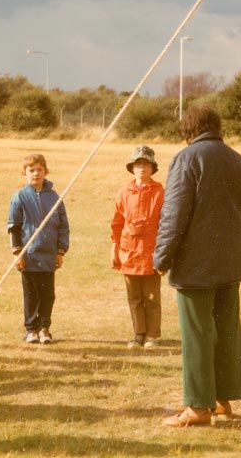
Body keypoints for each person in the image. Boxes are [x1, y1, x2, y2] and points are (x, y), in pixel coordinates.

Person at [153, 107, 241, 427]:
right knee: (226, 330)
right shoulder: (237, 159)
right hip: (230, 260)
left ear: (188, 131)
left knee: (197, 334)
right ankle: (222, 400)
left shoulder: (187, 157)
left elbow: (174, 212)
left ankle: (197, 407)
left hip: (196, 265)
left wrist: (162, 256)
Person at [7, 153, 70, 344]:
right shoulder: (19, 197)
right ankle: (31, 329)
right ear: (24, 173)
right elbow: (13, 227)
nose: (36, 173)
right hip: (29, 255)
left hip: (48, 255)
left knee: (48, 294)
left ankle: (44, 328)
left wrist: (60, 251)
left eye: (39, 170)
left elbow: (63, 226)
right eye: (31, 170)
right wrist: (17, 252)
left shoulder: (54, 197)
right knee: (31, 294)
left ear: (45, 171)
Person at [110, 145, 164, 348]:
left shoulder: (160, 192)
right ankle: (138, 334)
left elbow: (166, 223)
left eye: (146, 164)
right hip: (129, 252)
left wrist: (164, 253)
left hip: (151, 252)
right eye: (138, 164)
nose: (142, 168)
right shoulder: (124, 192)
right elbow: (117, 223)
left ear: (153, 168)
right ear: (132, 168)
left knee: (151, 297)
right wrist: (114, 249)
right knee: (134, 297)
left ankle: (152, 335)